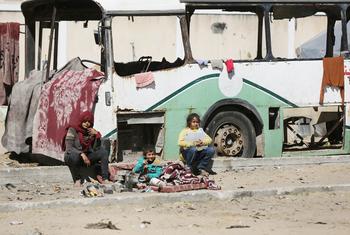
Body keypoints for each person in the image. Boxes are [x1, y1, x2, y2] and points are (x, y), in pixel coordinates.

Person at [63, 111, 110, 186]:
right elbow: (69, 148)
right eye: (84, 121)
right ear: (81, 120)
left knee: (103, 152)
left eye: (89, 121)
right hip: (73, 156)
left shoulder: (90, 132)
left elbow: (96, 148)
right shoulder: (72, 130)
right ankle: (77, 180)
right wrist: (81, 154)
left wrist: (97, 136)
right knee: (73, 156)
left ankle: (105, 178)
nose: (87, 123)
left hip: (86, 157)